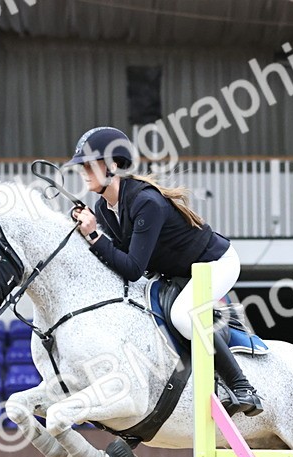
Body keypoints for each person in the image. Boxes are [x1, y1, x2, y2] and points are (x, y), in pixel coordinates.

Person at [65, 126, 263, 416]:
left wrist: (94, 237)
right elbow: (121, 261)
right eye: (81, 166)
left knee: (183, 316)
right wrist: (92, 234)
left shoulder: (147, 202)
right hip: (177, 273)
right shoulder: (104, 208)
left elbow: (133, 269)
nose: (83, 172)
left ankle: (243, 387)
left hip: (215, 264)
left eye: (89, 165)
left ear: (113, 165)